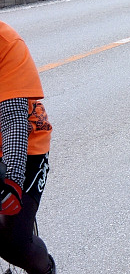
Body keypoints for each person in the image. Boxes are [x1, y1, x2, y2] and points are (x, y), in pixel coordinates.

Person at [0, 21, 55, 274]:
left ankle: (45, 269)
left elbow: (13, 120)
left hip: (23, 145)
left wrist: (11, 182)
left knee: (12, 242)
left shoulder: (6, 42)